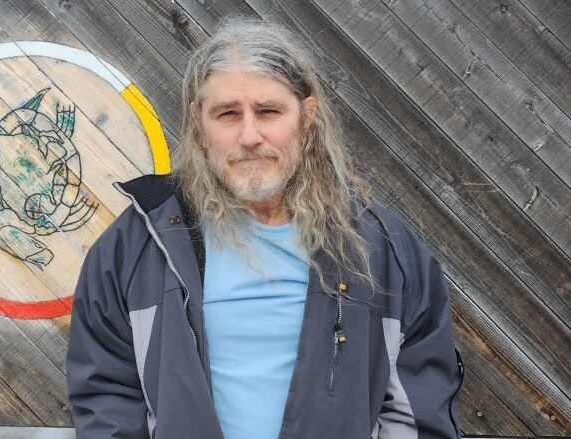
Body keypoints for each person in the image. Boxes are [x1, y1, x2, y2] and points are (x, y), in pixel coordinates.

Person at [66, 16, 464, 439]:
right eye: (227, 114)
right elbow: (105, 392)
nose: (250, 135)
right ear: (199, 123)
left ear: (306, 117)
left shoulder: (382, 250)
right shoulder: (137, 247)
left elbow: (419, 406)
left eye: (269, 111)